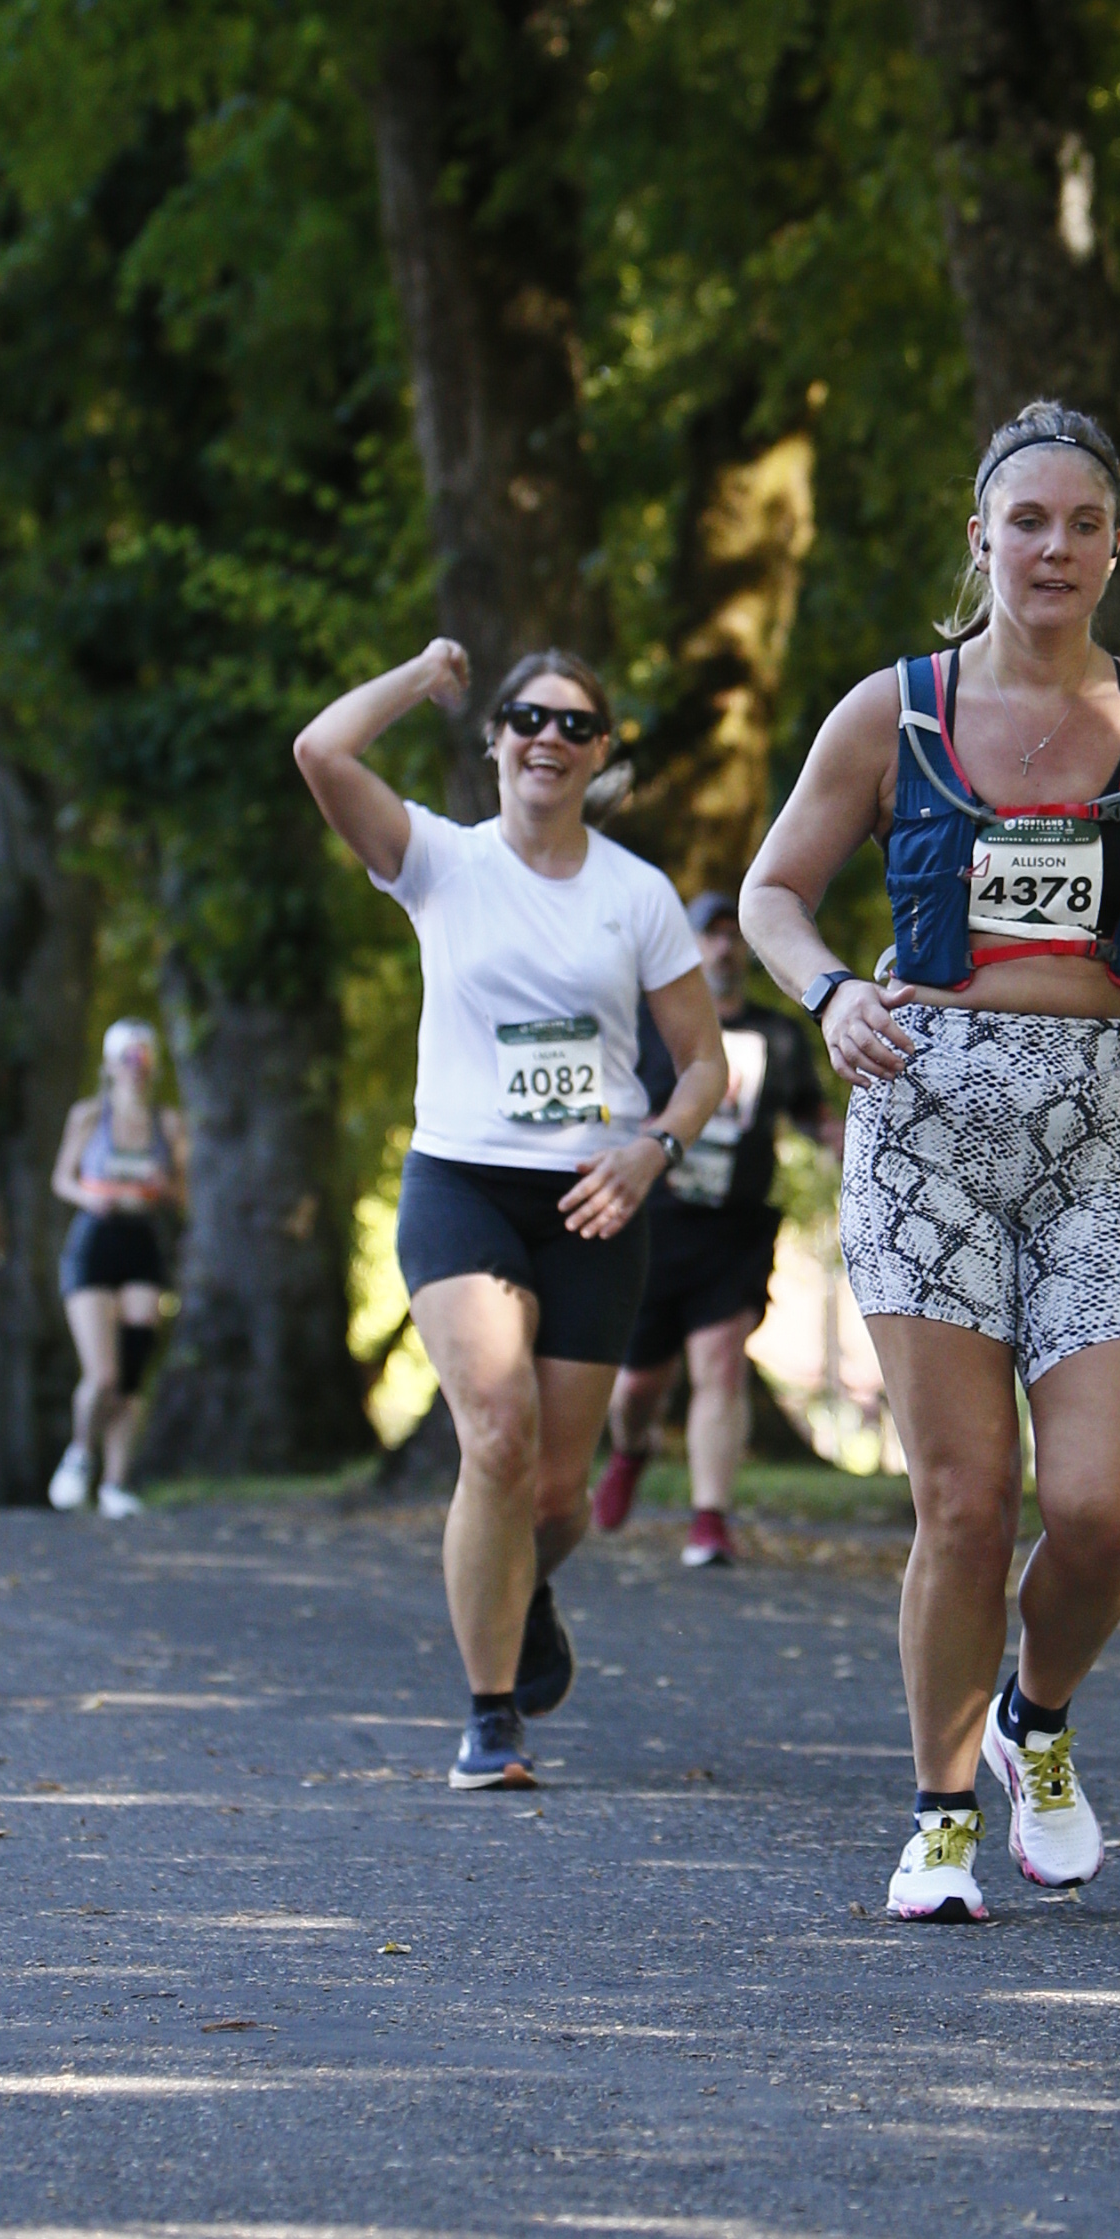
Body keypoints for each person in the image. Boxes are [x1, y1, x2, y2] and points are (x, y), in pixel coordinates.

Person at [740, 398, 1120, 1923]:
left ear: (1114, 548)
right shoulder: (893, 714)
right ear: (980, 537)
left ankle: (1034, 1721)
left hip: (1099, 1126)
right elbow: (772, 894)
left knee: (1103, 1513)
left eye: (1083, 525)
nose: (1055, 548)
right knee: (967, 1506)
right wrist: (830, 995)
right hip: (928, 1117)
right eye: (1027, 521)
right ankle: (939, 1820)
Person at [293, 635, 727, 1791]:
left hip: (597, 1197)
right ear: (495, 739)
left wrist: (655, 1151)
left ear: (601, 754)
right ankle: (491, 1717)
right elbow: (320, 751)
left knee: (555, 1495)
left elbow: (703, 1064)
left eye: (577, 725)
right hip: (463, 1184)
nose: (550, 738)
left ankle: (522, 1589)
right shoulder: (439, 860)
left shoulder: (635, 895)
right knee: (494, 1431)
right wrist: (418, 677)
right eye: (528, 718)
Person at [592, 890, 843, 1568]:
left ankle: (710, 1520)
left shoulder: (780, 1034)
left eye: (734, 936)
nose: (724, 948)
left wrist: (845, 1141)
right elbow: (607, 1103)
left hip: (733, 1230)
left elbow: (811, 1114)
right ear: (690, 946)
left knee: (720, 1364)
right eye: (710, 936)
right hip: (653, 1223)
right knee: (636, 1387)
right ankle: (631, 1450)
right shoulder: (650, 1025)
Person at [49, 1024, 185, 1519]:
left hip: (142, 1243)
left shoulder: (168, 1123)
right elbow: (62, 1179)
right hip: (94, 1244)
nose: (135, 1069)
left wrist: (163, 1187)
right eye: (127, 1059)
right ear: (110, 1065)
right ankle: (80, 1453)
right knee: (102, 1375)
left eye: (142, 1059)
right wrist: (92, 1196)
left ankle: (115, 1483)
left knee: (131, 1375)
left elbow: (183, 1194)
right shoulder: (88, 1116)